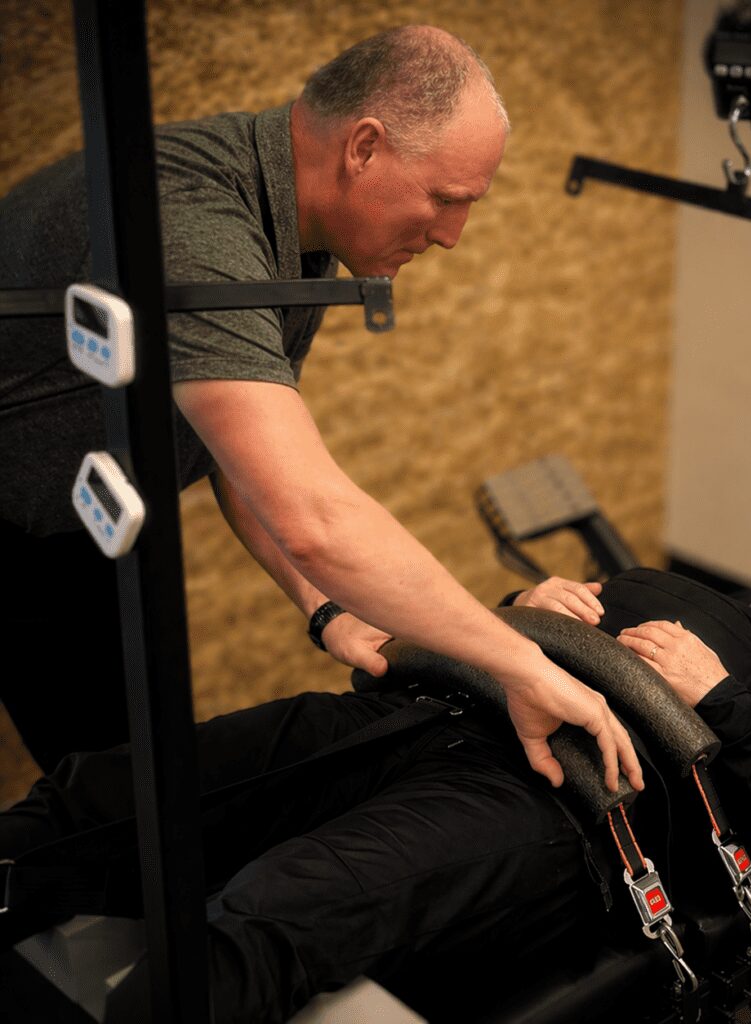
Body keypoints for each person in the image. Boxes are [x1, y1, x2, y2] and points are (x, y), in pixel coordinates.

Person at [0, 26, 642, 793]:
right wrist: (518, 664)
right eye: (445, 199)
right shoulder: (197, 227)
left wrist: (325, 606)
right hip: (22, 508)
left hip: (67, 522)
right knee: (112, 809)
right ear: (363, 147)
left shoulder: (297, 236)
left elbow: (237, 454)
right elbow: (312, 514)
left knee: (118, 790)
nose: (450, 237)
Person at [0, 533, 751, 1023]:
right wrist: (519, 611)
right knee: (117, 794)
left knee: (276, 912)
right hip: (419, 714)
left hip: (550, 802)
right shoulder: (684, 589)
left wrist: (719, 696)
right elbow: (501, 643)